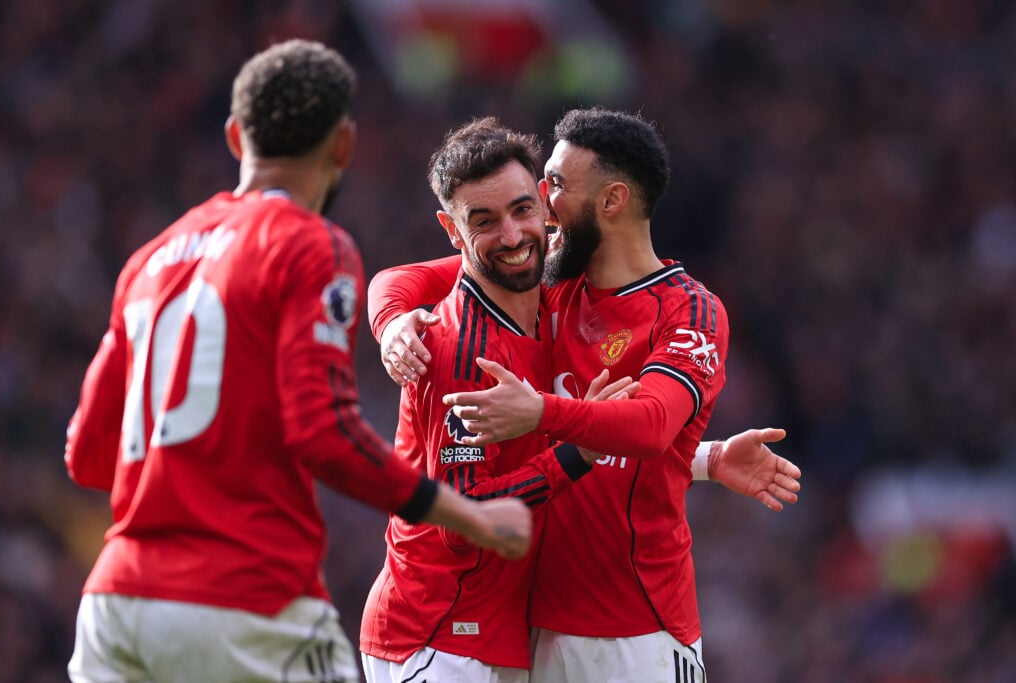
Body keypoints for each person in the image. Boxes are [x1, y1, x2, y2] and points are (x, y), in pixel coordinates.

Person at [63, 40, 532, 683]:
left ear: (235, 137)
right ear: (343, 145)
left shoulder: (148, 260)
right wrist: (470, 516)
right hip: (248, 602)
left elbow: (86, 457)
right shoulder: (309, 245)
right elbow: (324, 434)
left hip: (115, 609)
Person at [368, 108, 802, 682]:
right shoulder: (544, 283)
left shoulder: (687, 310)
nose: (541, 203)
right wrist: (391, 321)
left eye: (554, 186)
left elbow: (644, 428)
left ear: (611, 201)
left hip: (636, 626)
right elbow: (412, 278)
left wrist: (703, 458)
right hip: (529, 631)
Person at [359, 117, 641, 683]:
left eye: (520, 211)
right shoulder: (459, 350)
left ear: (543, 204)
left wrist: (707, 460)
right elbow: (463, 521)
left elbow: (401, 277)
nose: (511, 237)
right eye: (483, 222)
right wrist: (573, 455)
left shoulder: (546, 296)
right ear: (452, 230)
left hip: (494, 635)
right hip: (438, 636)